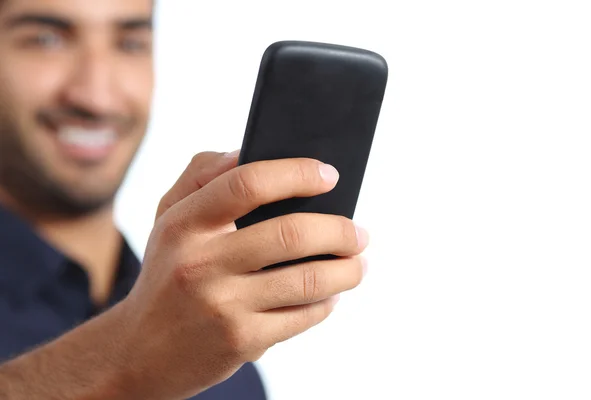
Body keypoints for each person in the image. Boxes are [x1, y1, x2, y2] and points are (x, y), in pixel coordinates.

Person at [0, 0, 368, 399]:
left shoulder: (223, 361)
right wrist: (127, 358)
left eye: (129, 42)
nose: (97, 96)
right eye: (45, 39)